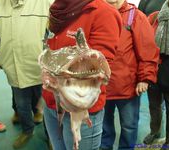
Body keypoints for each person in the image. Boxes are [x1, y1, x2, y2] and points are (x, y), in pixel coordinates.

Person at [41, 0, 122, 150]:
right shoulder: (57, 9)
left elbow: (99, 70)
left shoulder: (103, 12)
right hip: (51, 103)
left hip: (81, 109)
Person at [0, 0, 53, 148]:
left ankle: (51, 136)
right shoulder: (0, 6)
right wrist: (1, 61)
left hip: (41, 67)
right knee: (21, 104)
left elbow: (55, 34)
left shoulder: (45, 3)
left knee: (47, 105)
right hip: (14, 68)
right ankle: (27, 131)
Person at [100, 0, 159, 150]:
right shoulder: (97, 14)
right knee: (103, 127)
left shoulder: (135, 16)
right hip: (100, 87)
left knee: (129, 126)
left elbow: (147, 50)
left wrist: (145, 78)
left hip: (127, 88)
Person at [143, 0, 169, 149]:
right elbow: (145, 44)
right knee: (154, 106)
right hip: (154, 72)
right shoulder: (155, 17)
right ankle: (154, 131)